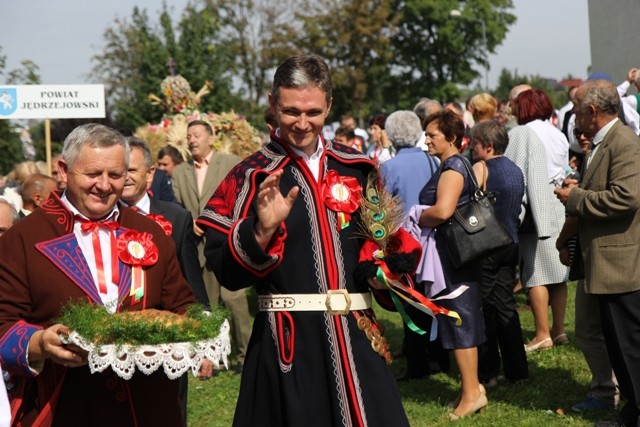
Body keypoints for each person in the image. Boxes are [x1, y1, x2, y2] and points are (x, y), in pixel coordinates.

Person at [197, 54, 410, 426]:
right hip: (288, 346)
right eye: (291, 111)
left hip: (357, 340)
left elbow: (377, 244)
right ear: (272, 104)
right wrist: (261, 230)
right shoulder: (249, 176)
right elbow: (226, 272)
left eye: (312, 112)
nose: (302, 122)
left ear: (328, 105)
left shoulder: (357, 168)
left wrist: (382, 273)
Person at [0, 123, 202, 426]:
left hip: (148, 409)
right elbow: (3, 325)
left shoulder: (151, 232)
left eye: (116, 175)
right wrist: (39, 343)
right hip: (65, 407)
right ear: (63, 171)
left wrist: (195, 335)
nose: (105, 185)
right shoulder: (23, 239)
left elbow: (182, 306)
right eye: (93, 174)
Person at [554, 79, 640, 427]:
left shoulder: (623, 143)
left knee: (629, 345)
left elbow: (627, 197)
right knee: (619, 345)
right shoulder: (608, 143)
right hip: (605, 262)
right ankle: (631, 409)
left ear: (592, 112)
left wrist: (574, 198)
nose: (574, 118)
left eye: (576, 111)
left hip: (621, 264)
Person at [121, 136, 209, 426]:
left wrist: (203, 341)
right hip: (117, 338)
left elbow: (191, 280)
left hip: (167, 336)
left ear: (149, 174)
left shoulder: (176, 216)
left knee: (169, 411)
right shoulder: (100, 219)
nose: (124, 177)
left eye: (131, 170)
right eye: (118, 169)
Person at [418, 109, 487, 420]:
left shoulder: (453, 168)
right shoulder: (454, 164)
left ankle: (472, 394)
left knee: (459, 322)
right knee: (460, 319)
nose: (427, 139)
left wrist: (416, 215)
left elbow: (443, 211)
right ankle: (471, 389)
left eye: (433, 135)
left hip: (454, 257)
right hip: (455, 255)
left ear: (451, 138)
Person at [171, 119, 252, 372]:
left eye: (196, 135)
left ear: (210, 137)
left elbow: (241, 199)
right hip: (197, 248)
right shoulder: (179, 173)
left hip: (227, 244)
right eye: (189, 136)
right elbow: (177, 207)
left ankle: (245, 355)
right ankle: (211, 357)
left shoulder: (230, 163)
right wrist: (190, 222)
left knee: (235, 299)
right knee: (208, 305)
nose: (191, 140)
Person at [379, 110, 447, 380]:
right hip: (434, 237)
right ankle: (440, 358)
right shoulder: (433, 161)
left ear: (393, 135)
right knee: (433, 299)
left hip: (405, 242)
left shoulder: (389, 167)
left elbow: (383, 209)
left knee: (411, 302)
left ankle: (418, 365)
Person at [556, 128, 619, 413]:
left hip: (607, 259)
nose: (581, 137)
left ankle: (606, 390)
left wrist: (561, 239)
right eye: (577, 133)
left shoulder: (607, 155)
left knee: (590, 327)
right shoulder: (595, 156)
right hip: (604, 256)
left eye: (586, 132)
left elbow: (579, 212)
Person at [506, 88, 570, 352]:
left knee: (535, 274)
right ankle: (558, 330)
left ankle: (542, 333)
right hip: (559, 203)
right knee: (558, 274)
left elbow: (514, 170)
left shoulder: (522, 133)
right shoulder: (557, 133)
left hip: (536, 205)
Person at [469, 120, 529, 388]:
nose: (471, 149)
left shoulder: (481, 168)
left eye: (474, 144)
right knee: (506, 304)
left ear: (488, 146)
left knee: (485, 307)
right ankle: (517, 369)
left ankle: (488, 371)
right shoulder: (516, 169)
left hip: (487, 246)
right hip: (512, 244)